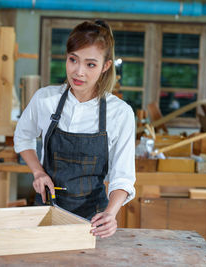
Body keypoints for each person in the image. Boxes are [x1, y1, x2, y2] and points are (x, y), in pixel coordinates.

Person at [14, 20, 136, 238]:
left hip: (92, 220)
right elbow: (23, 138)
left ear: (105, 66)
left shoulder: (120, 113)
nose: (78, 72)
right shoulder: (45, 99)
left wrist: (110, 213)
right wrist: (38, 172)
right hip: (45, 210)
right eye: (73, 60)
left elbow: (123, 176)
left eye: (90, 64)